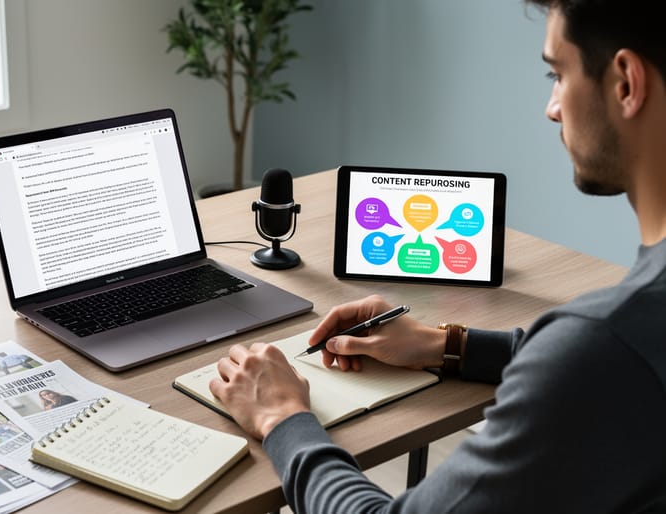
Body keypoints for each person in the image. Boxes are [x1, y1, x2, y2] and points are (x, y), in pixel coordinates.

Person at [208, 1, 666, 512]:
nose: (552, 107)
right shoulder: (625, 336)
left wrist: (283, 419)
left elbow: (593, 362)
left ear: (626, 83)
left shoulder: (601, 344)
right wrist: (445, 344)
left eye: (557, 73)